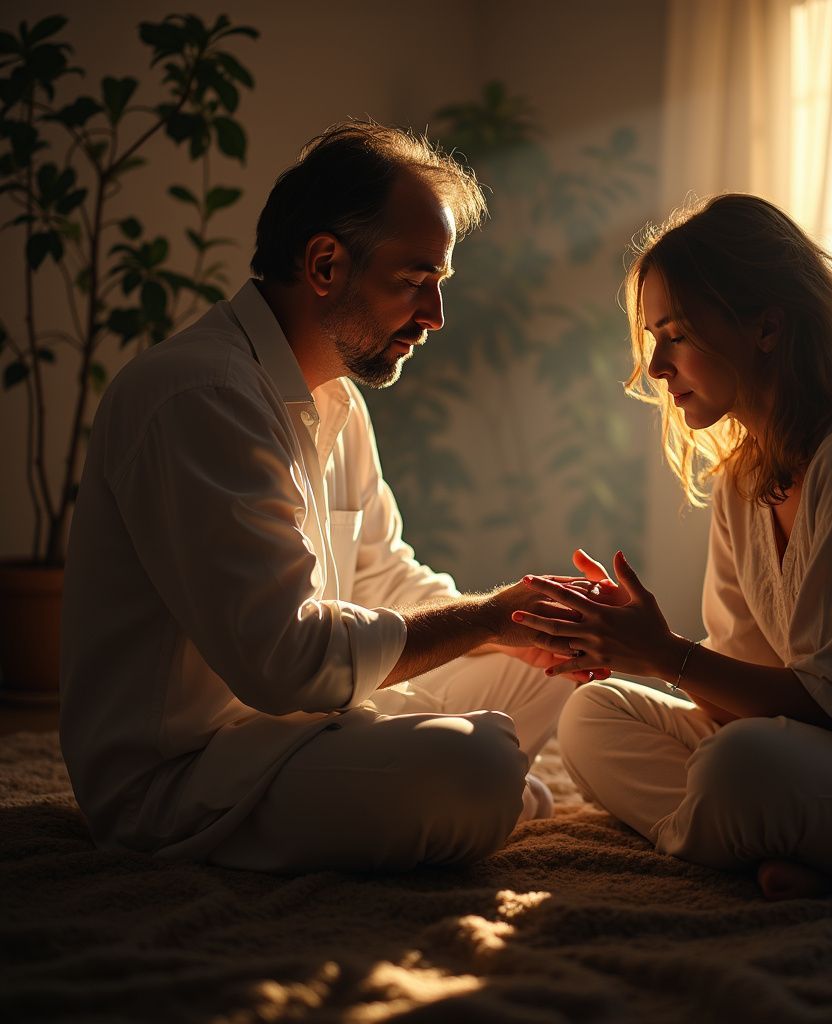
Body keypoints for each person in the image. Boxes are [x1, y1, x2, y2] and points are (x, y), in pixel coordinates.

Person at [59, 121, 578, 873]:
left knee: (540, 663)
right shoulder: (199, 397)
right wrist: (484, 621)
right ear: (326, 264)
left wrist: (519, 618)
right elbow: (286, 663)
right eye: (413, 281)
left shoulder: (334, 397)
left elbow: (384, 578)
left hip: (313, 724)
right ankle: (480, 794)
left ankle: (459, 787)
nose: (434, 316)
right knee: (479, 764)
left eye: (439, 284)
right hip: (189, 775)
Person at [512, 193, 832, 899]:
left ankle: (751, 838)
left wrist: (663, 653)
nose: (657, 366)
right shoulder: (742, 478)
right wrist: (629, 647)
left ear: (767, 328)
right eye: (651, 338)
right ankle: (770, 849)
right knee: (593, 717)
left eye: (676, 333)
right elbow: (742, 693)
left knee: (745, 767)